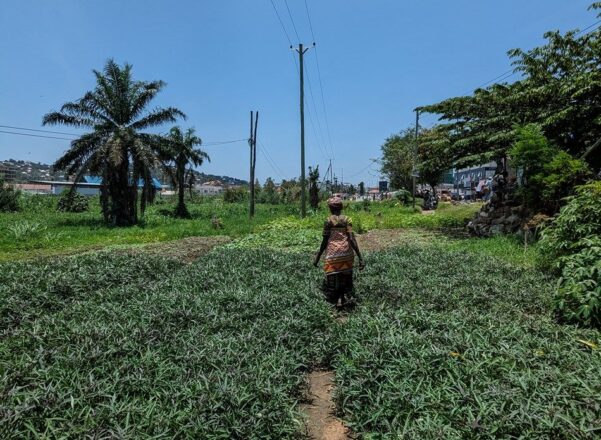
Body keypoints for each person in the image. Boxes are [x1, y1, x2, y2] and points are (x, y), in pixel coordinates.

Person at [313, 196, 365, 308]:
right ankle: (343, 297)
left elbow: (325, 240)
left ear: (330, 209)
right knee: (345, 275)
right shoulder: (347, 220)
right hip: (346, 253)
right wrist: (360, 257)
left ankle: (336, 300)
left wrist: (317, 257)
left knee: (333, 276)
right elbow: (351, 238)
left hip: (333, 254)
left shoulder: (328, 221)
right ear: (341, 207)